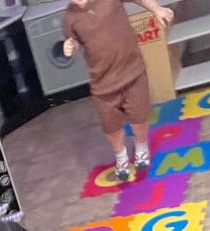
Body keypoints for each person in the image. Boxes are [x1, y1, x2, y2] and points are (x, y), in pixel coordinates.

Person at [62, 0, 174, 180]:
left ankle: (141, 146)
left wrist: (156, 8)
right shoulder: (69, 17)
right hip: (102, 83)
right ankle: (121, 156)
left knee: (139, 115)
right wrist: (71, 46)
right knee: (110, 126)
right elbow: (74, 41)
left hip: (132, 71)